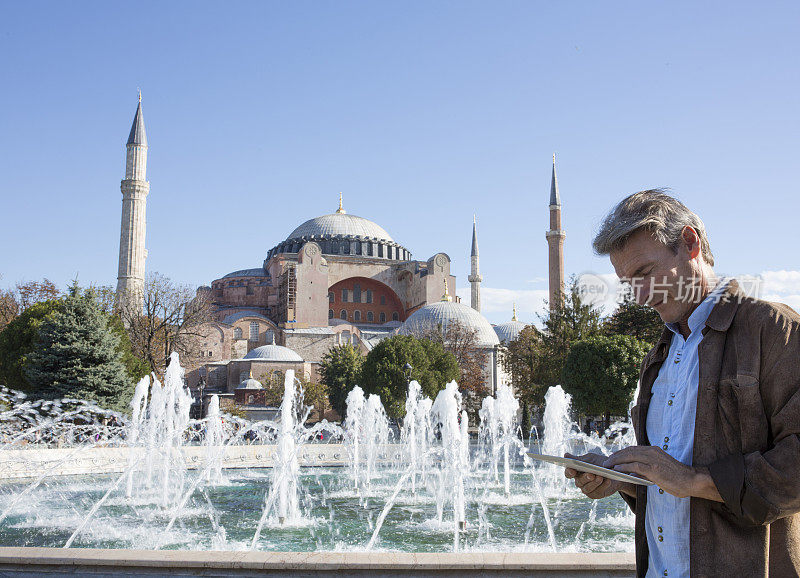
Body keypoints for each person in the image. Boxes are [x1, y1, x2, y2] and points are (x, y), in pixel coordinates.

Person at [564, 190, 800, 577]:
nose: (639, 296)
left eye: (644, 274)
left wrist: (693, 480)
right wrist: (625, 479)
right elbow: (674, 491)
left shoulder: (775, 331)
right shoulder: (659, 354)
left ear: (690, 243)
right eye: (628, 283)